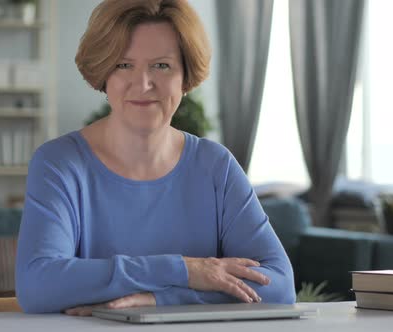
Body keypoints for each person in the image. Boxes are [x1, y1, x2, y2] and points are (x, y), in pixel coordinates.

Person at [15, 0, 295, 315]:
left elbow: (280, 285)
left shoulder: (216, 166)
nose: (144, 84)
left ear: (185, 78)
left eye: (161, 65)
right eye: (123, 65)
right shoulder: (59, 164)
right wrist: (185, 271)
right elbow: (38, 286)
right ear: (104, 75)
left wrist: (162, 300)